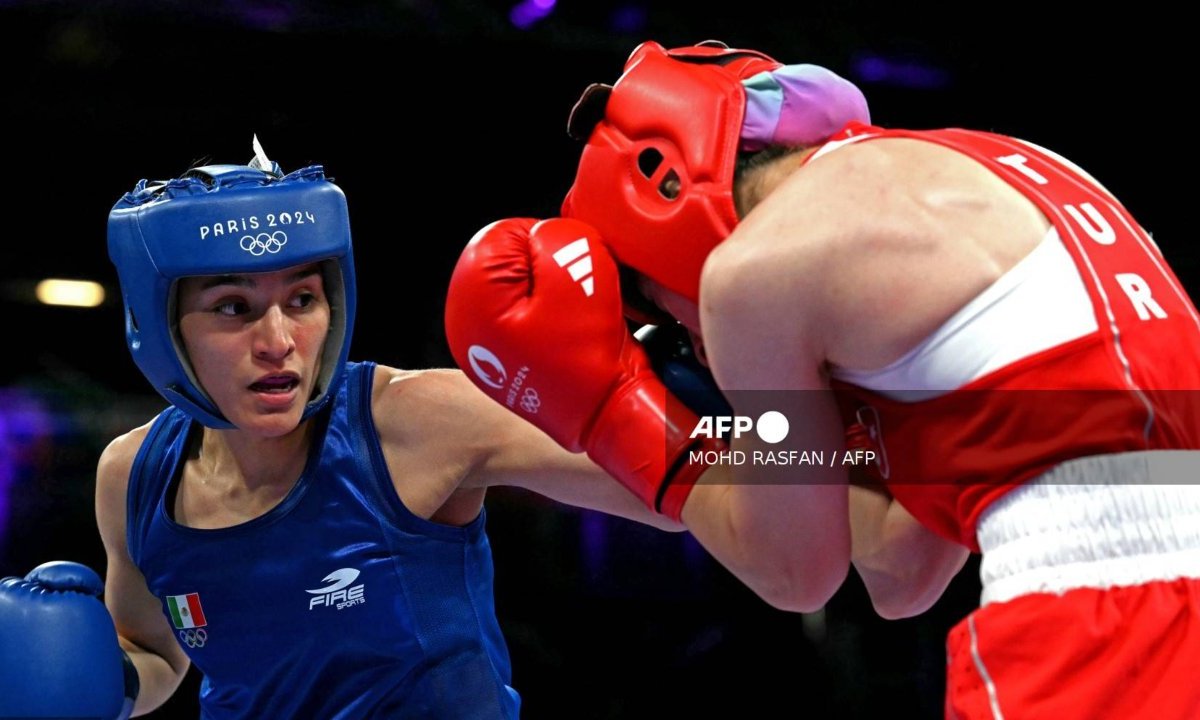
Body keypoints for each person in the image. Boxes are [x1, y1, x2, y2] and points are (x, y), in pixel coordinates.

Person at [443, 40, 1200, 718]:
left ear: (662, 202)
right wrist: (820, 434)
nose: (689, 344)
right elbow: (901, 571)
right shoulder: (1000, 164)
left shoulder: (756, 274)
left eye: (662, 312)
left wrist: (615, 407)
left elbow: (794, 572)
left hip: (1103, 615)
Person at [0, 142, 686, 719]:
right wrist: (104, 682)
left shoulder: (408, 422)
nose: (279, 341)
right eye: (234, 307)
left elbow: (708, 481)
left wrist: (725, 366)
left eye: (301, 299)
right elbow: (153, 651)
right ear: (159, 327)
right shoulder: (134, 475)